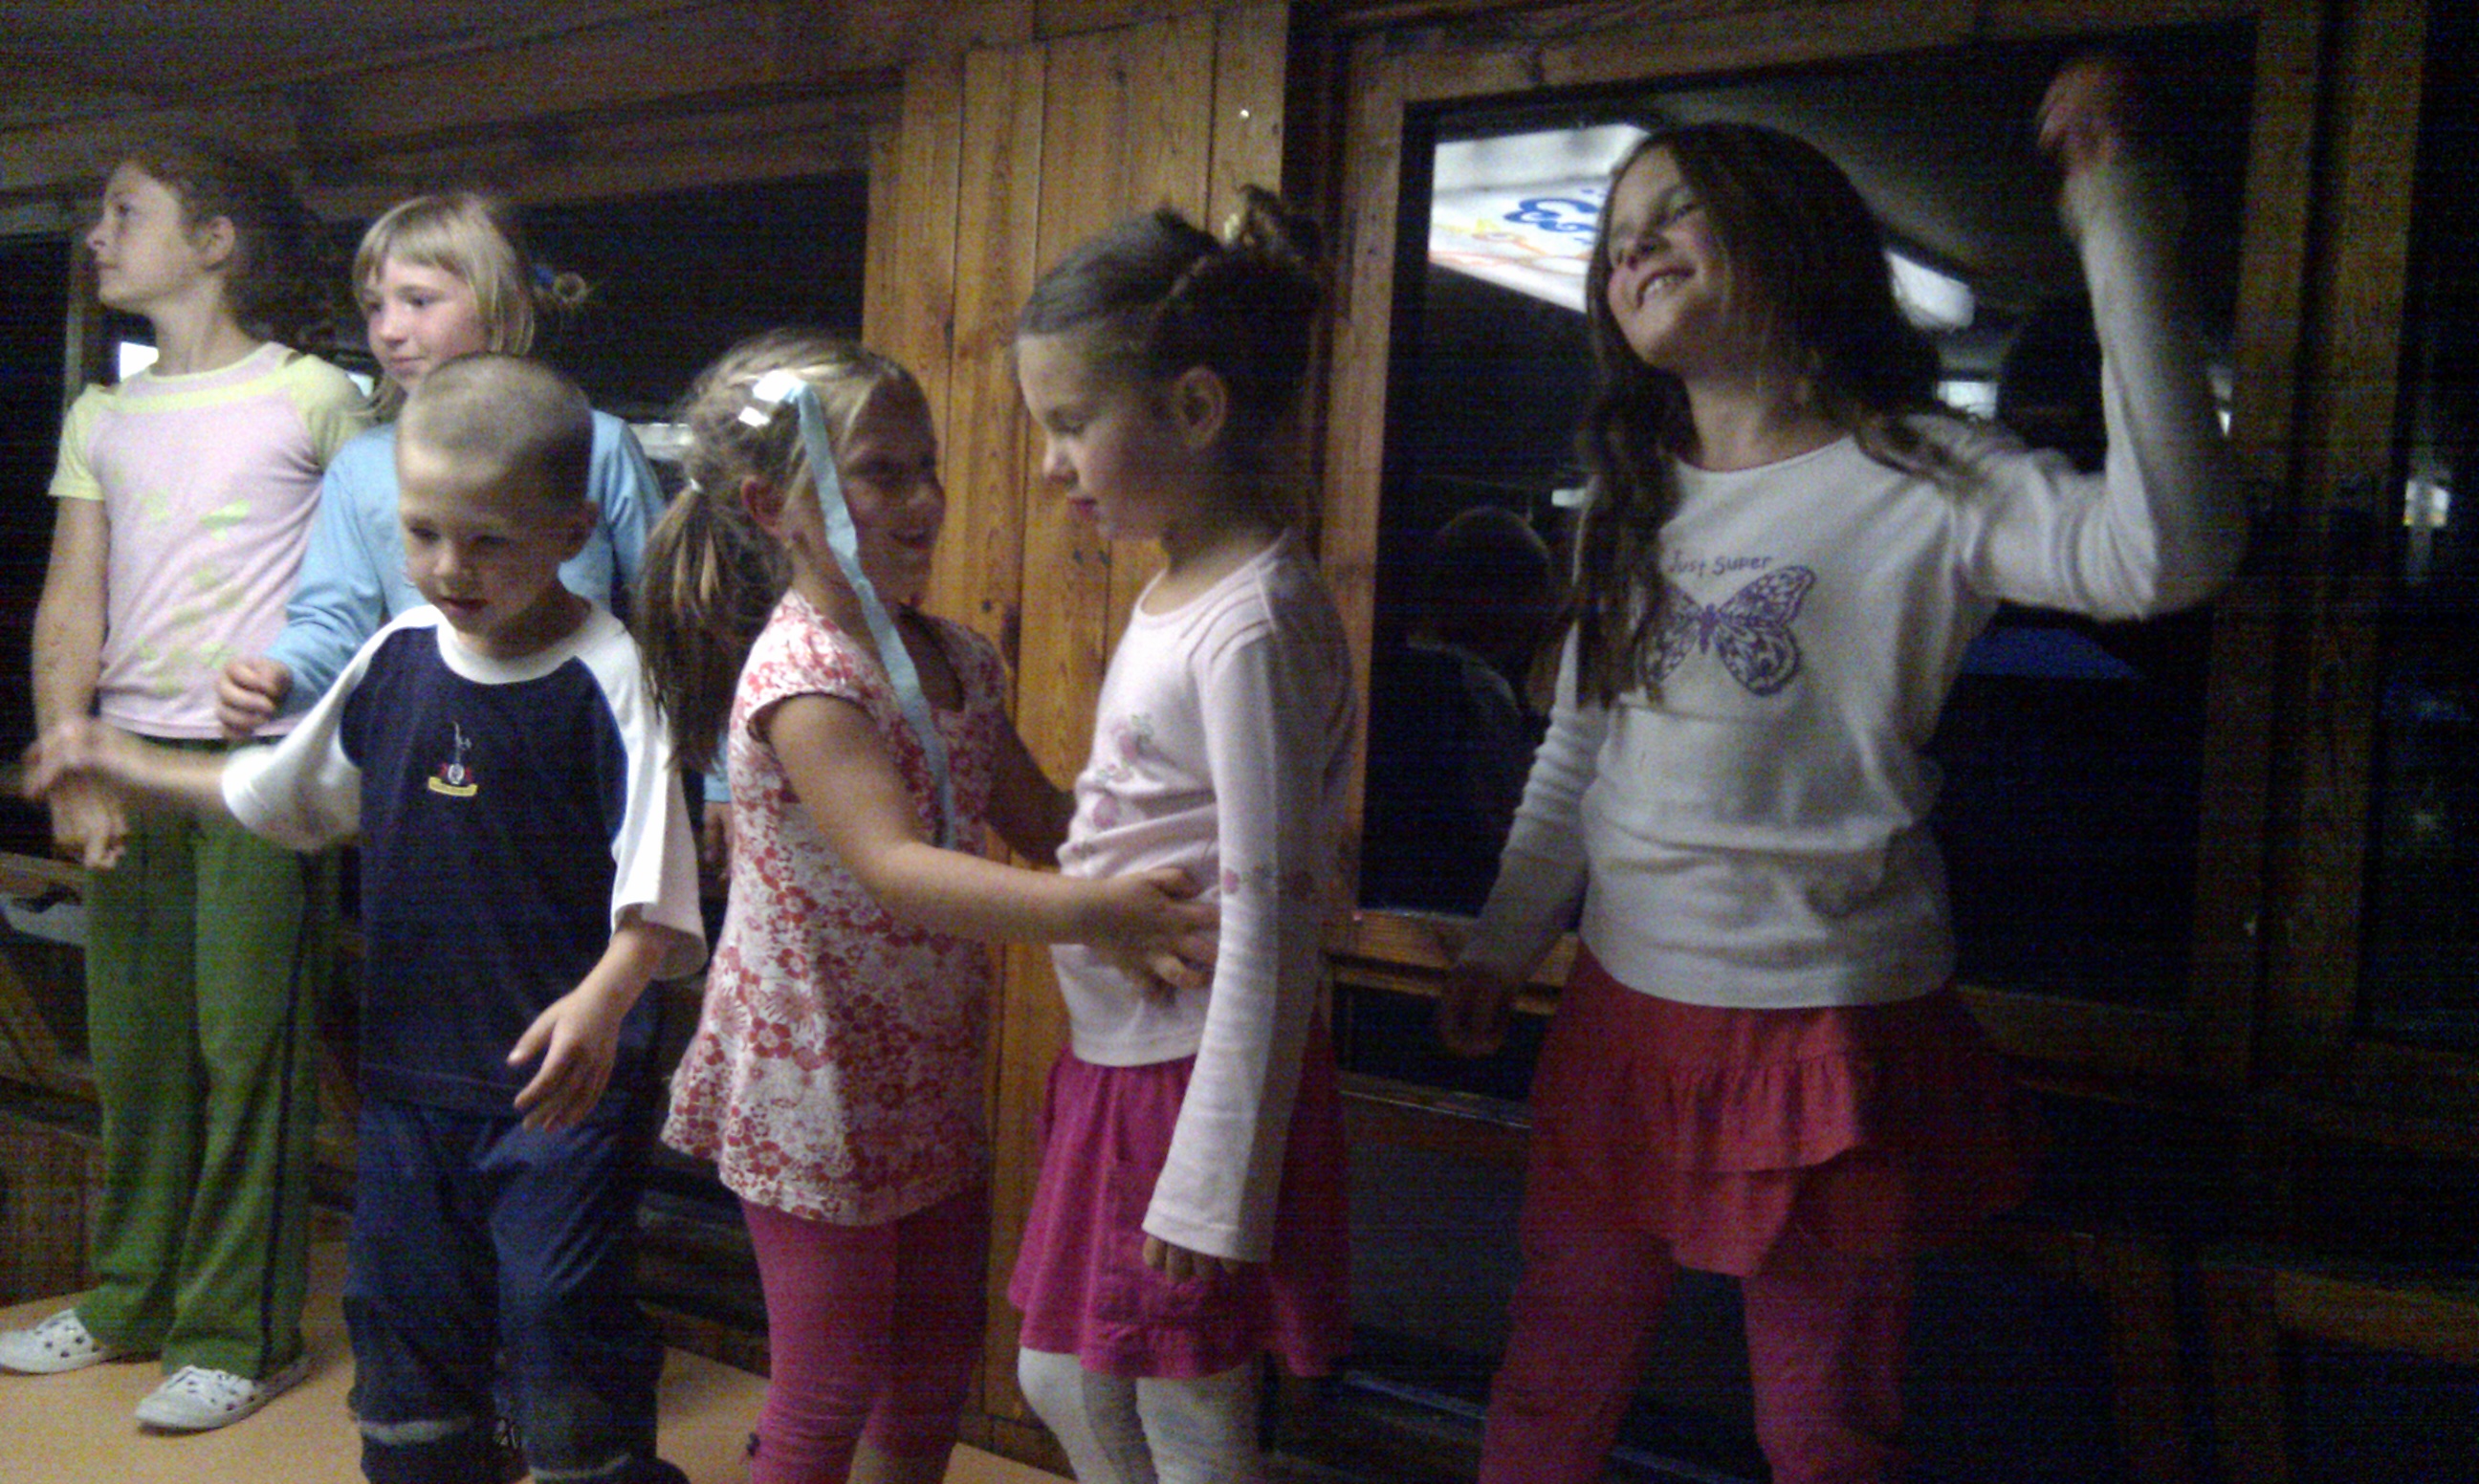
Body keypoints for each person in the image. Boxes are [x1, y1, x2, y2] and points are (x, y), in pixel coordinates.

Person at [1431, 57, 2247, 1484]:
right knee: (1551, 1387)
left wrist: (2118, 218)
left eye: (1674, 214)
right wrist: (1503, 942)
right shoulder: (1630, 497)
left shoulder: (1926, 471)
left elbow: (2171, 553)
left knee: (1825, 1432)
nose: (1632, 250)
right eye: (1617, 239)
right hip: (1620, 1013)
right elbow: (1578, 748)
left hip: (1832, 1028)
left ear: (1792, 239)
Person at [24, 354, 708, 1484]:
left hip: (563, 1084)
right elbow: (276, 791)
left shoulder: (610, 675)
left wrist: (600, 1005)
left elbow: (655, 893)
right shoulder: (396, 657)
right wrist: (127, 761)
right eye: (422, 533)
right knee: (403, 1315)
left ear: (573, 529)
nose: (448, 567)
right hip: (411, 1075)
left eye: (487, 540)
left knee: (557, 1311)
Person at [640, 329, 1218, 1484]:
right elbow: (896, 866)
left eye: (926, 467)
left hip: (924, 1065)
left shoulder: (959, 658)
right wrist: (1101, 912)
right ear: (774, 508)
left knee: (934, 1366)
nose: (922, 498)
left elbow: (1045, 819)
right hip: (812, 1079)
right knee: (828, 1383)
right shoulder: (804, 677)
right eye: (880, 473)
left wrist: (1204, 848)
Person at [0, 140, 364, 1432]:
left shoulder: (314, 395)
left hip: (262, 775)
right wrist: (70, 755)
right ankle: (130, 1299)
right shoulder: (104, 413)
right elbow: (71, 601)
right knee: (139, 1048)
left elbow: (373, 583)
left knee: (246, 1049)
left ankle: (237, 1336)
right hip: (126, 760)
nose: (98, 236)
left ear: (215, 242)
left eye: (124, 212)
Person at [1007, 186, 1356, 1484]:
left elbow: (1276, 915)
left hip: (1191, 1074)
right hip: (1123, 1058)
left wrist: (1216, 1179)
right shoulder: (1179, 587)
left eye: (1070, 425)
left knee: (1188, 1405)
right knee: (1063, 1374)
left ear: (1197, 409)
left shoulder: (1253, 622)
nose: (1051, 464)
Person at [215, 190, 663, 739]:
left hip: (582, 741)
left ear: (498, 304)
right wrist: (282, 675)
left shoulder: (598, 444)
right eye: (375, 306)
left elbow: (668, 611)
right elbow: (332, 620)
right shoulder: (361, 466)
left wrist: (711, 769)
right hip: (435, 743)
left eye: (418, 301)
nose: (388, 330)